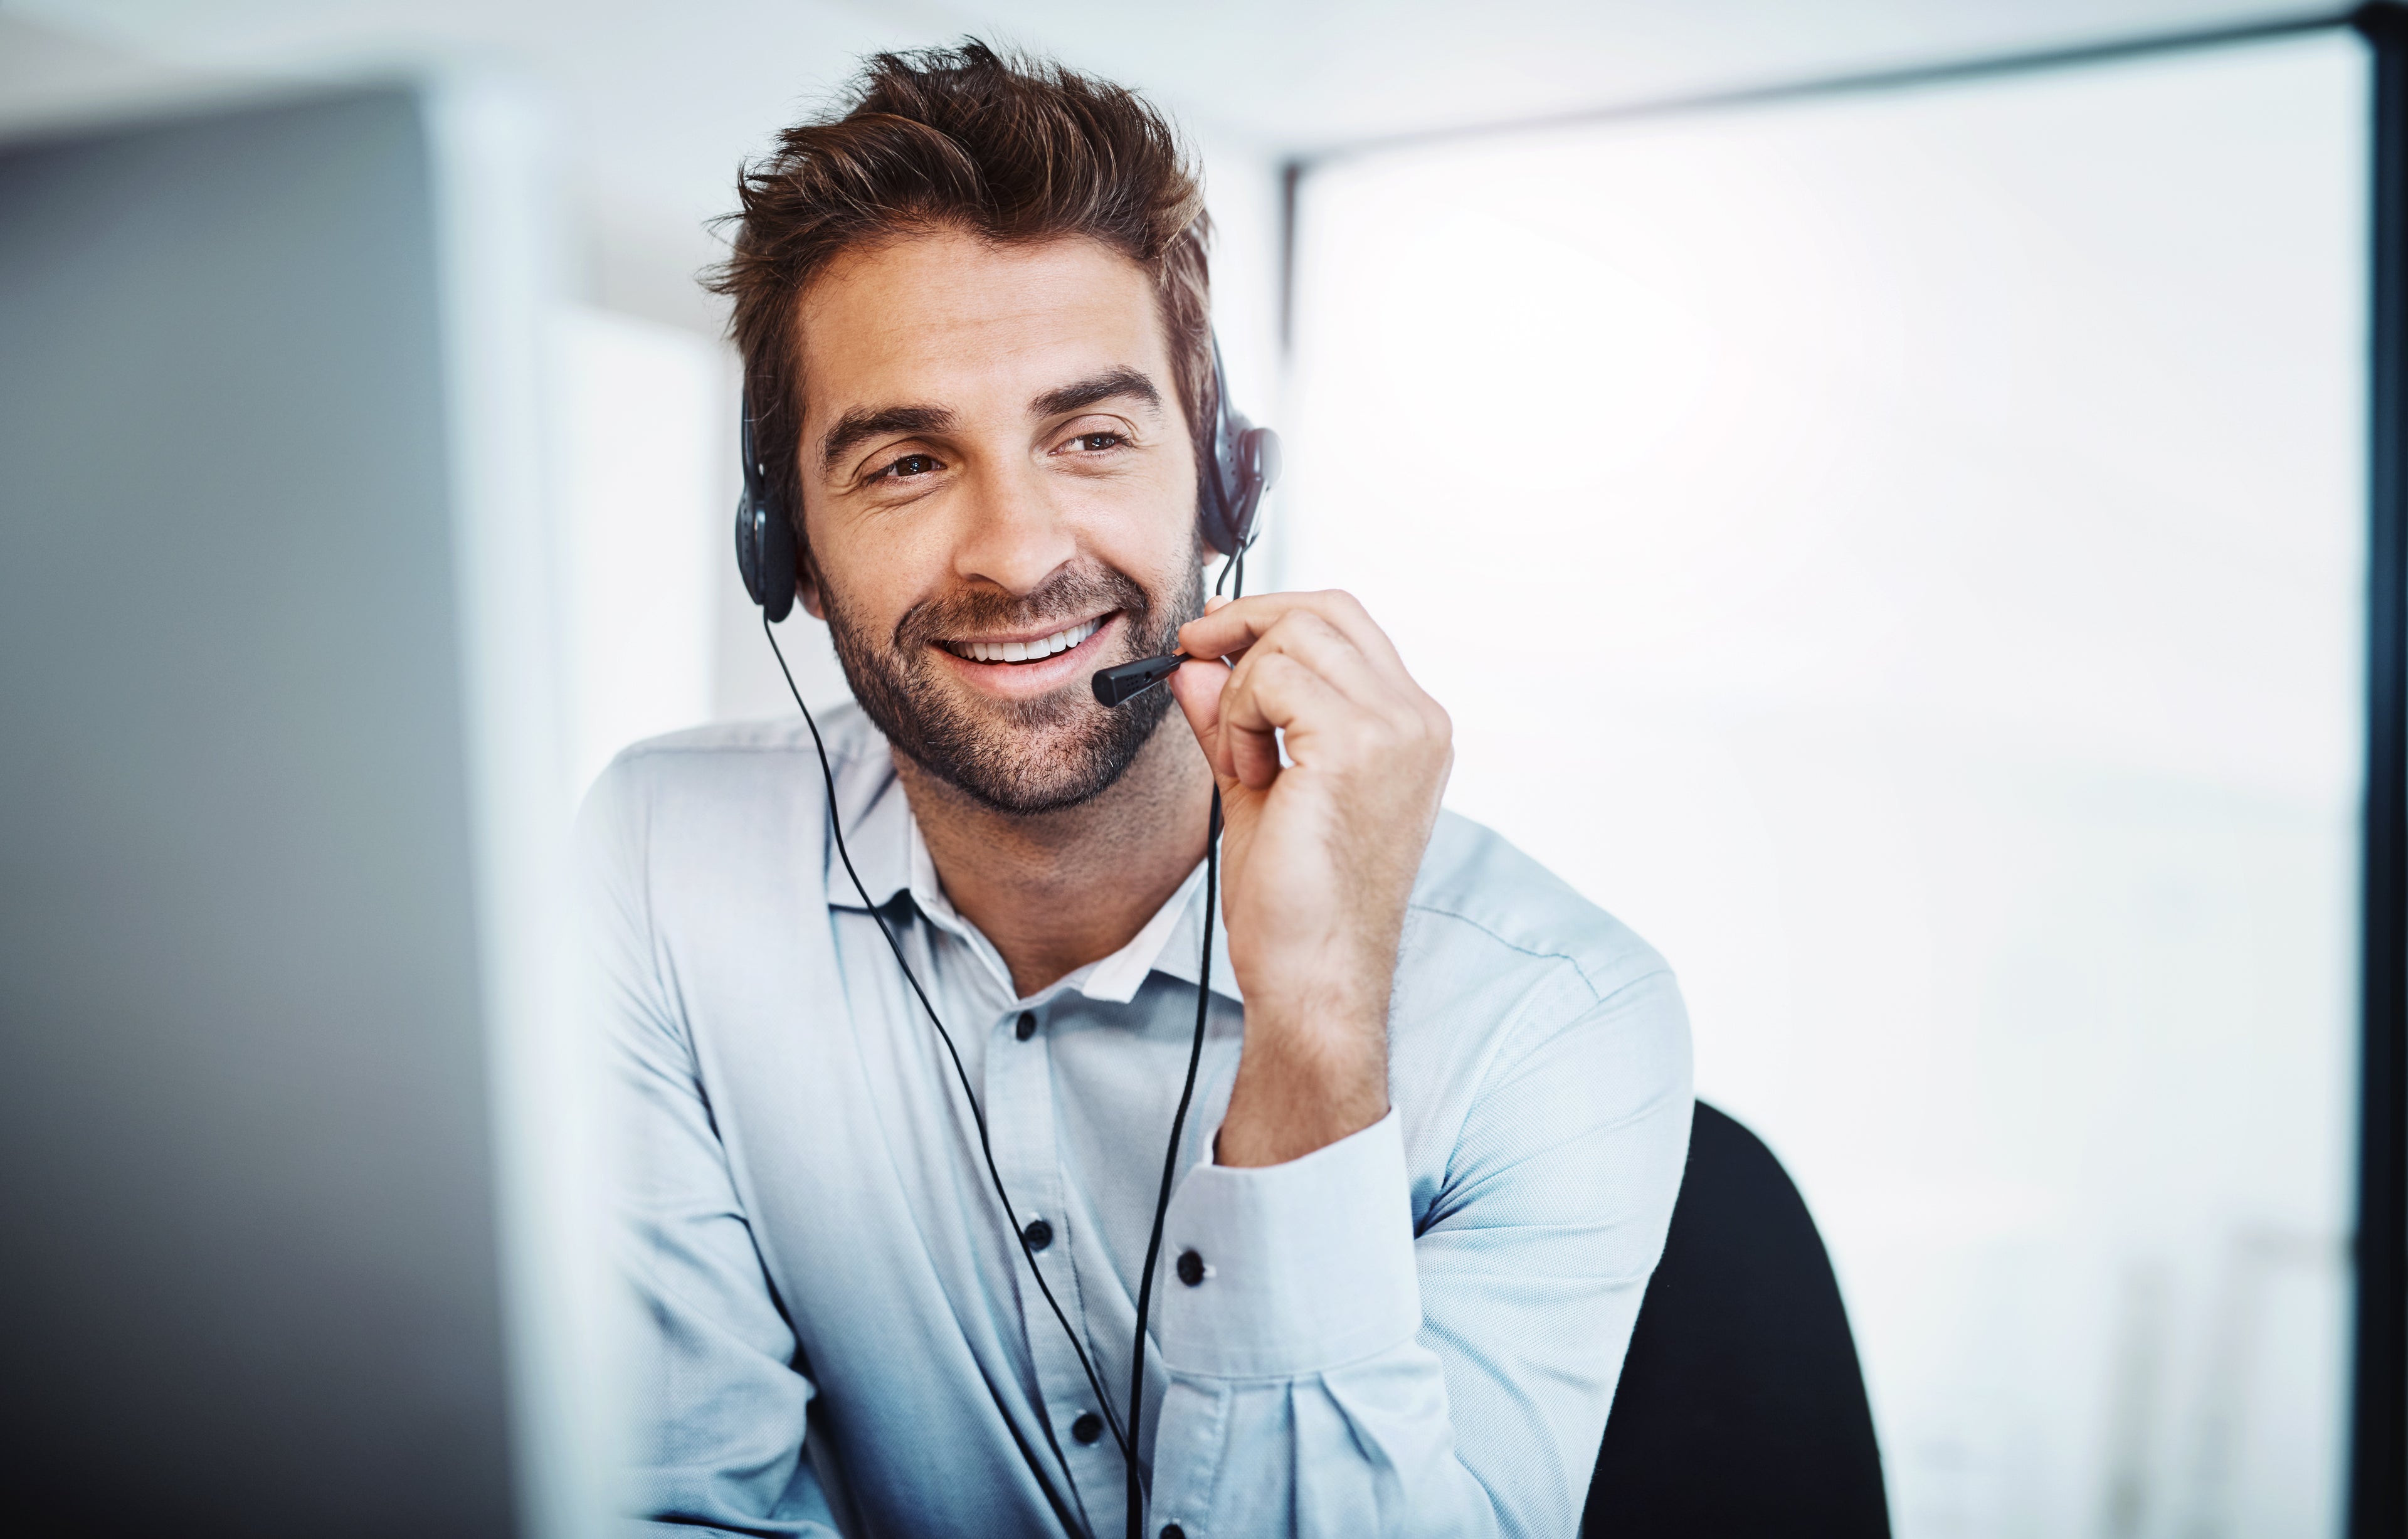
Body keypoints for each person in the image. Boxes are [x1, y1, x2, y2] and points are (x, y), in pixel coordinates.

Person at [579, 40, 1692, 1539]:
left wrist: (1314, 1030)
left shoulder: (1552, 1012)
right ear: (783, 544)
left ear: (1224, 482)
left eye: (1091, 437)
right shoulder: (661, 865)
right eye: (907, 463)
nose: (1017, 553)